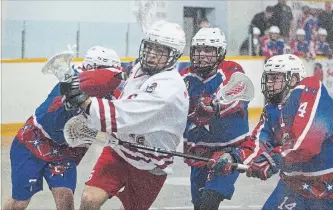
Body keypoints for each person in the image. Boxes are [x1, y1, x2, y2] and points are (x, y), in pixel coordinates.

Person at [61, 20, 189, 210]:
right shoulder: (141, 68)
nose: (151, 54)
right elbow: (121, 77)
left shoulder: (169, 87)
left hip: (151, 164)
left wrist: (84, 101)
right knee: (89, 200)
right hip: (120, 150)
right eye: (150, 47)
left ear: (174, 55)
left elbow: (123, 116)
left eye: (160, 50)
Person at [3, 46, 125, 210]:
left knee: (65, 201)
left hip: (64, 152)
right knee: (20, 202)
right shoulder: (68, 86)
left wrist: (113, 137)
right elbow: (62, 129)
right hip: (31, 143)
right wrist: (102, 136)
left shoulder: (110, 89)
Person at [211, 54, 333, 209]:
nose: (269, 84)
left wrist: (273, 159)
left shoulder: (311, 89)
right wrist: (233, 157)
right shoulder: (271, 109)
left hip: (327, 186)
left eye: (276, 79)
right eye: (268, 78)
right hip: (294, 186)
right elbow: (259, 143)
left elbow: (309, 141)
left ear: (293, 79)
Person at [179, 27, 249, 210]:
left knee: (209, 202)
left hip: (228, 152)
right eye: (198, 49)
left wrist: (215, 106)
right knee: (199, 205)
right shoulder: (183, 75)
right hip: (199, 152)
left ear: (220, 52)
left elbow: (238, 97)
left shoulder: (232, 70)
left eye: (208, 50)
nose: (202, 55)